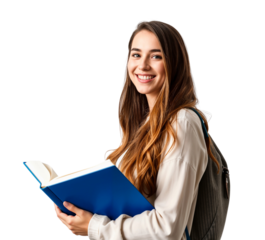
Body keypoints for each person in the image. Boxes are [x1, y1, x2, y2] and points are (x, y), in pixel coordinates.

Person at [57, 17, 219, 240]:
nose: (142, 65)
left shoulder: (182, 123)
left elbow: (167, 227)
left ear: (175, 64)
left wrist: (95, 227)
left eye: (156, 56)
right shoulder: (144, 125)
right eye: (136, 54)